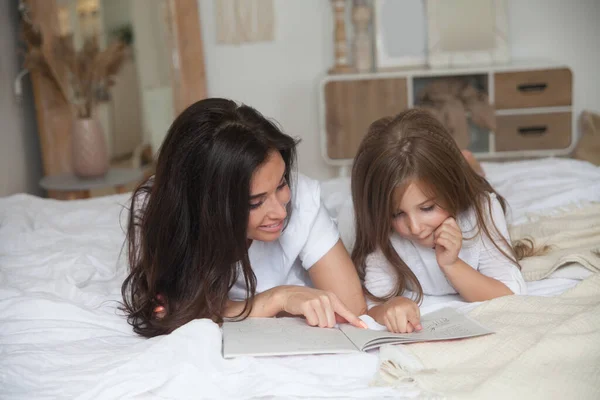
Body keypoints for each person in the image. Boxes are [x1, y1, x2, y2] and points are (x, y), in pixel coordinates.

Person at [122, 98, 367, 338]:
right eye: (255, 202)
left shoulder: (302, 200)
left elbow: (352, 310)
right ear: (208, 208)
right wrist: (277, 299)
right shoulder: (176, 220)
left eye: (281, 183)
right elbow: (174, 309)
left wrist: (244, 306)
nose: (281, 212)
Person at [339, 109, 531, 334]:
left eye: (427, 208)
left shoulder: (482, 209)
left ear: (452, 188)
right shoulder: (379, 224)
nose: (415, 228)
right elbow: (372, 305)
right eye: (397, 214)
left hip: (467, 189)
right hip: (358, 212)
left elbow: (510, 295)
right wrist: (391, 307)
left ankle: (470, 165)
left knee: (477, 182)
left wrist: (452, 265)